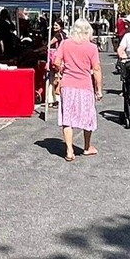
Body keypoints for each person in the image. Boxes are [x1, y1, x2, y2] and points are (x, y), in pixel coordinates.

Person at [53, 19, 103, 162]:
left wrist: (62, 69)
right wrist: (99, 89)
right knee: (88, 116)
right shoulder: (92, 47)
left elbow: (56, 62)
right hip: (85, 86)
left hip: (67, 85)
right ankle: (87, 147)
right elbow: (96, 69)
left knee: (67, 117)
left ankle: (69, 150)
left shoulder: (65, 43)